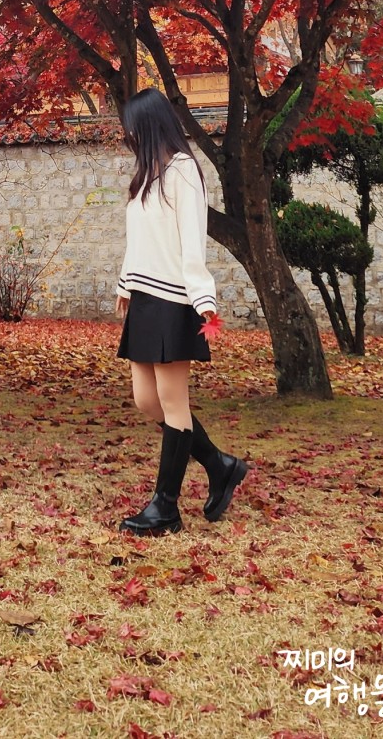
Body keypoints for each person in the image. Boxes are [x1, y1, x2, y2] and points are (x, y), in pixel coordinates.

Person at [116, 87, 248, 533]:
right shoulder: (146, 176)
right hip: (145, 299)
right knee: (145, 400)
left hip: (175, 301)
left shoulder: (183, 171)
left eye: (132, 127)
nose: (127, 135)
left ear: (149, 125)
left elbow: (193, 242)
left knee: (173, 403)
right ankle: (219, 464)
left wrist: (205, 304)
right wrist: (125, 283)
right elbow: (140, 241)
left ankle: (165, 507)